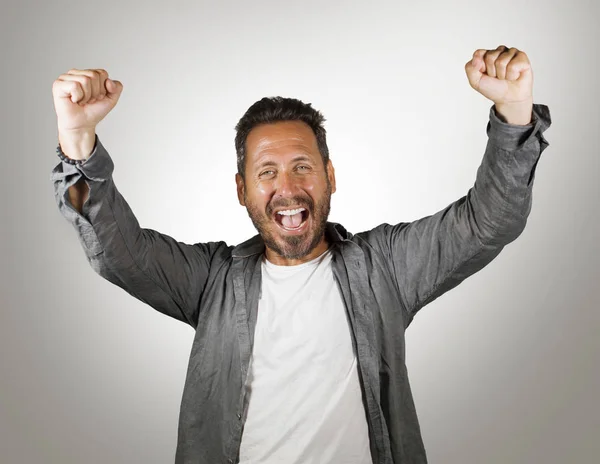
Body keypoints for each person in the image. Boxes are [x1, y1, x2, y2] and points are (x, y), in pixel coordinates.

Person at [50, 45, 551, 464]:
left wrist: (513, 116)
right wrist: (78, 141)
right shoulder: (211, 281)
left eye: (302, 167)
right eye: (266, 172)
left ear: (329, 177)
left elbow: (489, 221)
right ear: (242, 190)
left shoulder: (387, 269)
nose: (287, 190)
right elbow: (119, 253)